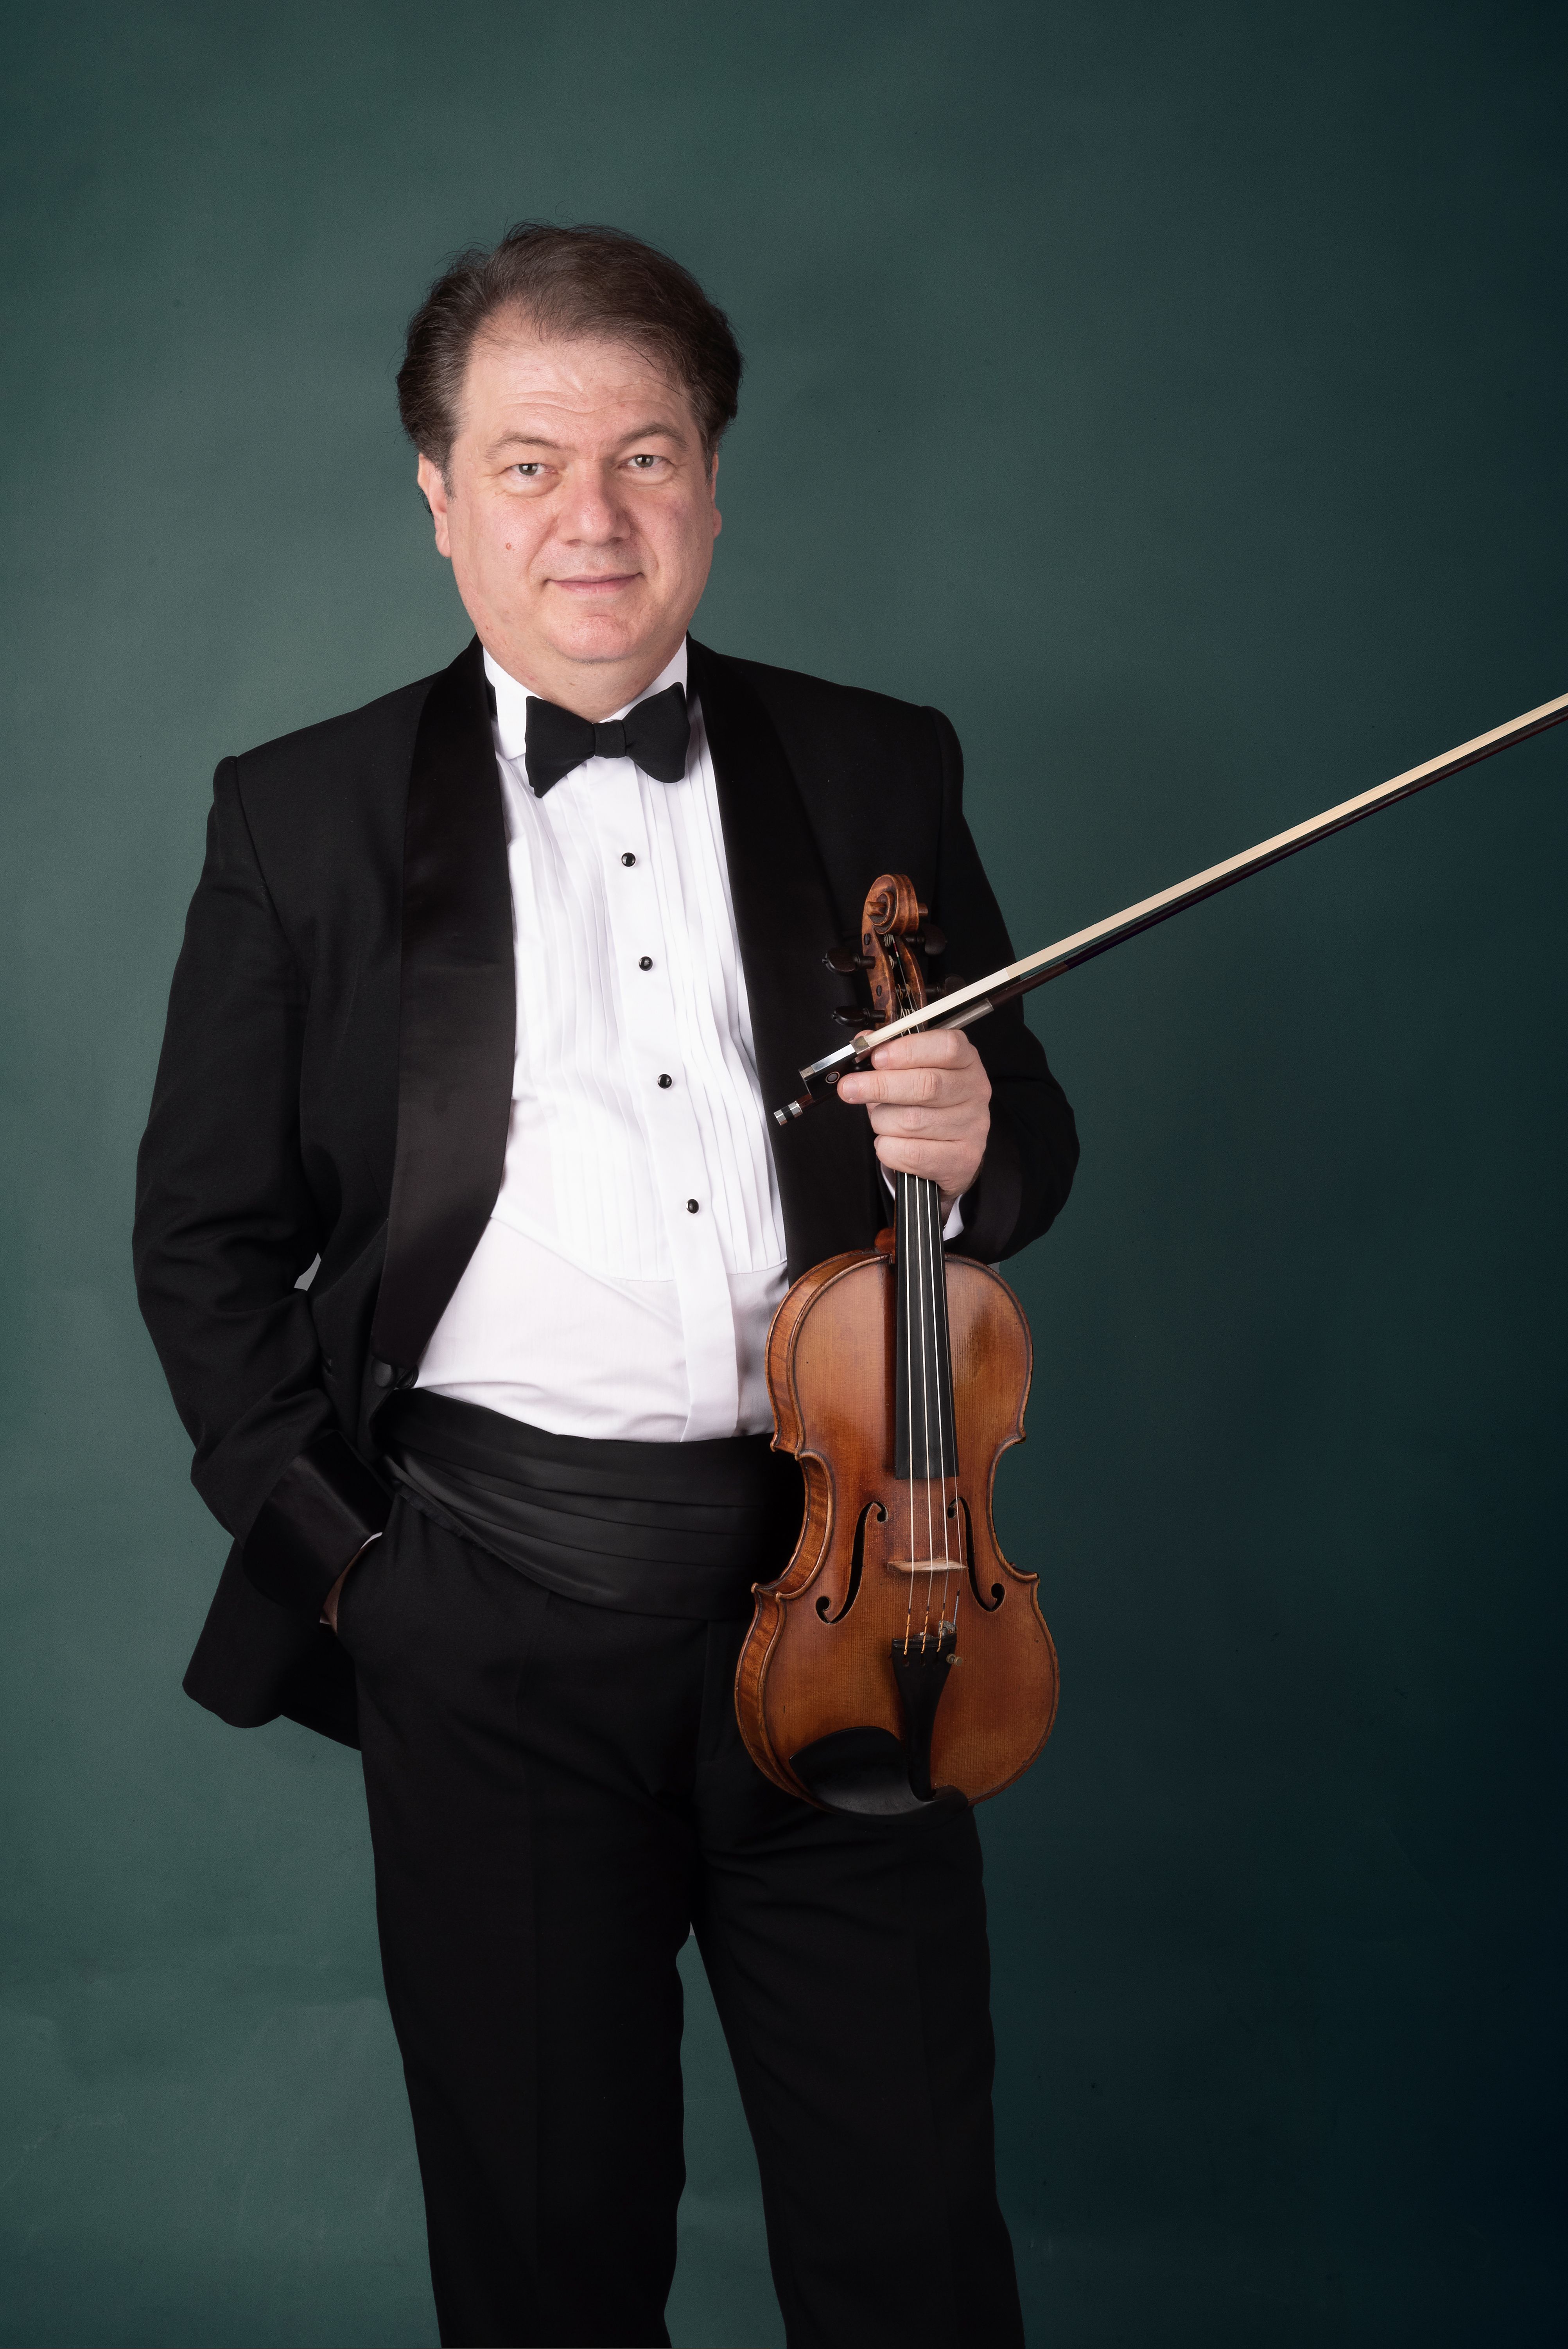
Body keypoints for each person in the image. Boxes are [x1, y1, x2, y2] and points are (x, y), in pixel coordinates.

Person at [134, 222, 1078, 2349]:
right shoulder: (297, 815)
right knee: (549, 2264)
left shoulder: (879, 764)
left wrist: (978, 1145)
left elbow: (1027, 1132)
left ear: (715, 487)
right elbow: (202, 1239)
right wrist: (355, 1571)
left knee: (916, 2247)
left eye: (647, 457)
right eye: (531, 463)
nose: (595, 516)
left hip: (869, 1595)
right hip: (487, 1618)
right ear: (440, 500)